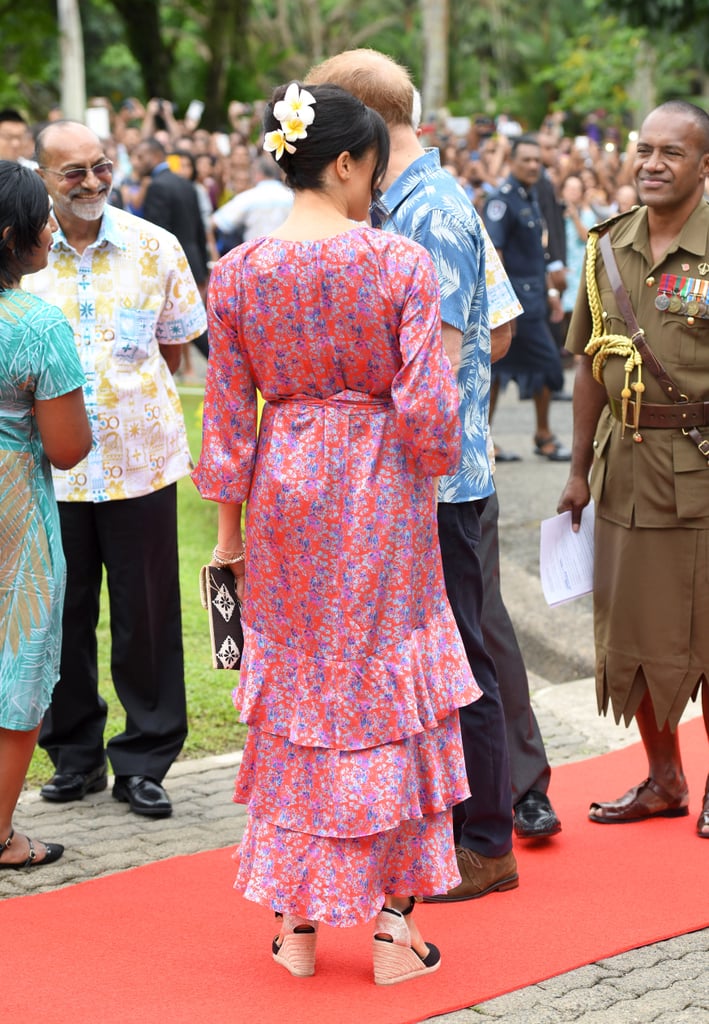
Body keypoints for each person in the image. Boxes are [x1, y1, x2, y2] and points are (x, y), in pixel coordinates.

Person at [193, 81, 478, 982]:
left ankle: (296, 927)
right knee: (390, 689)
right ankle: (395, 931)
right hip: (379, 492)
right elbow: (431, 417)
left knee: (300, 697)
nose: (374, 191)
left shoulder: (237, 272)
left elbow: (226, 423)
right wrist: (420, 471)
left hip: (283, 486)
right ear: (349, 162)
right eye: (372, 172)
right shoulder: (396, 264)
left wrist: (226, 534)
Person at [306, 49, 521, 898]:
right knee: (435, 660)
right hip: (414, 480)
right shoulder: (397, 203)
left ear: (361, 121)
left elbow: (435, 363)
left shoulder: (427, 212)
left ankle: (487, 842)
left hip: (439, 483)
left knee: (460, 660)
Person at [23, 120, 207, 818]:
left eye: (102, 166)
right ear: (42, 176)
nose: (93, 182)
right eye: (74, 172)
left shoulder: (154, 246)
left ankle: (146, 757)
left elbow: (178, 348)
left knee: (148, 617)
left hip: (141, 467)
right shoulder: (20, 255)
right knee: (61, 619)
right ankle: (73, 755)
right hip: (52, 473)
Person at [558, 100, 709, 840]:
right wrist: (578, 466)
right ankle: (663, 776)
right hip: (626, 469)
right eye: (643, 149)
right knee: (632, 633)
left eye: (671, 152)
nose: (651, 163)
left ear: (703, 166)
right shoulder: (605, 247)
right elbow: (589, 366)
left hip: (703, 470)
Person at [0, 161, 92, 867]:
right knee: (16, 671)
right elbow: (66, 448)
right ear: (12, 236)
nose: (49, 227)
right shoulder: (36, 324)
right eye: (40, 218)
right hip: (14, 522)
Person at [484, 135, 571, 462]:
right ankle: (486, 441)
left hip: (534, 301)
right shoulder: (502, 201)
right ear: (512, 162)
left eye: (538, 160)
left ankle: (543, 434)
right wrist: (502, 310)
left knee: (545, 368)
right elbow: (496, 254)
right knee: (495, 374)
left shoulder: (531, 197)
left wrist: (550, 292)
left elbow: (539, 253)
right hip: (513, 306)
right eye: (527, 160)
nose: (534, 165)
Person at [210, 153, 293, 245]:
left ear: (258, 174)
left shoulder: (249, 197)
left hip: (257, 254)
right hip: (288, 255)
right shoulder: (292, 197)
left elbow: (215, 221)